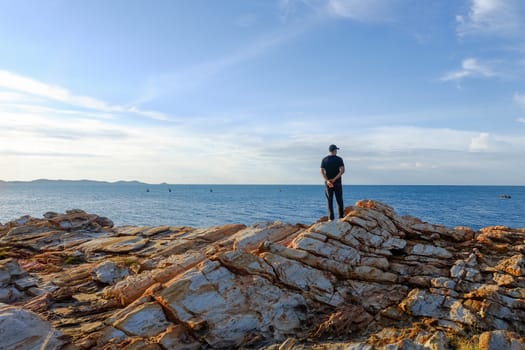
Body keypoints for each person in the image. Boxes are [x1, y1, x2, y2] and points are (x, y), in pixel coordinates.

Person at [320, 144, 345, 221]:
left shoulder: (324, 159)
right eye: (336, 150)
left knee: (329, 200)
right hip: (337, 182)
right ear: (334, 150)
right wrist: (334, 179)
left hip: (328, 183)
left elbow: (321, 171)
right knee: (339, 199)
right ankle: (341, 217)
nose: (336, 151)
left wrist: (328, 180)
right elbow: (342, 170)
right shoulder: (339, 159)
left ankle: (331, 219)